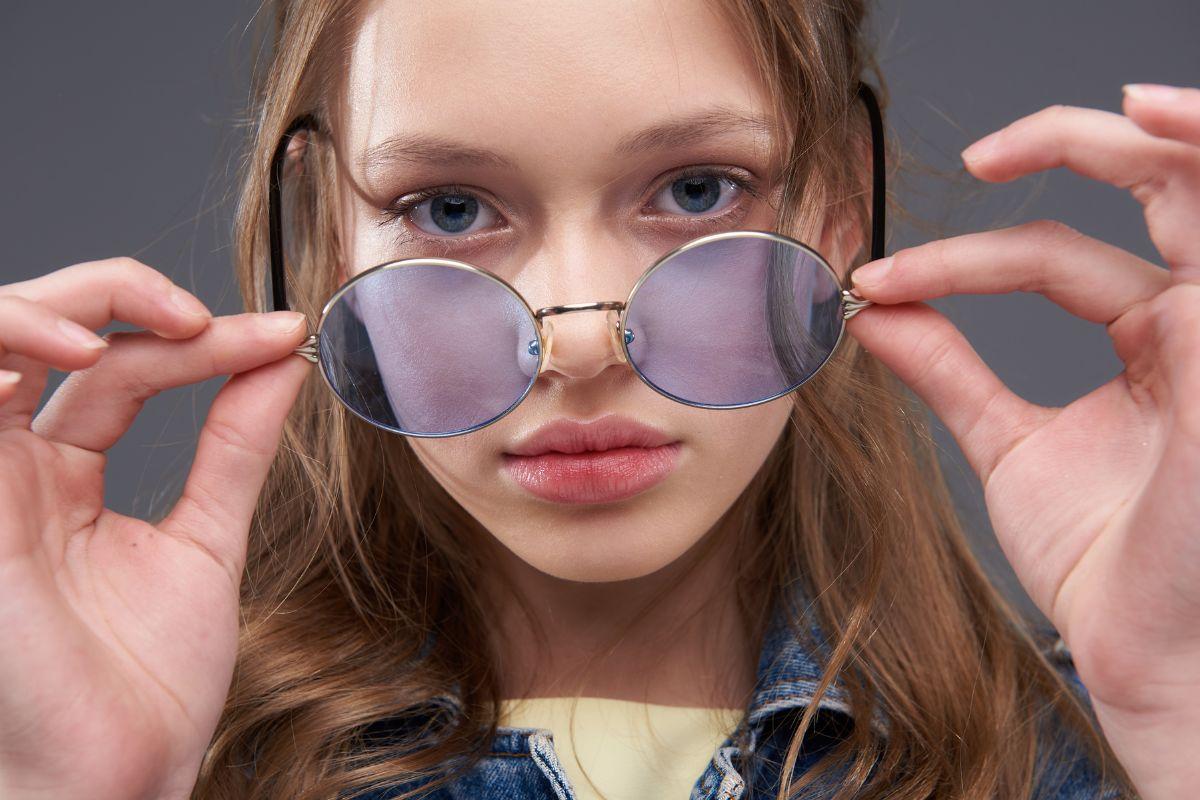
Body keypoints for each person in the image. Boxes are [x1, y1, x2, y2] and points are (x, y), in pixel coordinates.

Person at [0, 0, 1196, 798]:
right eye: (450, 208)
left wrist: (1179, 699)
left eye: (697, 188)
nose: (578, 344)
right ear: (323, 242)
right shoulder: (164, 755)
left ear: (838, 214)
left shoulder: (1101, 750)